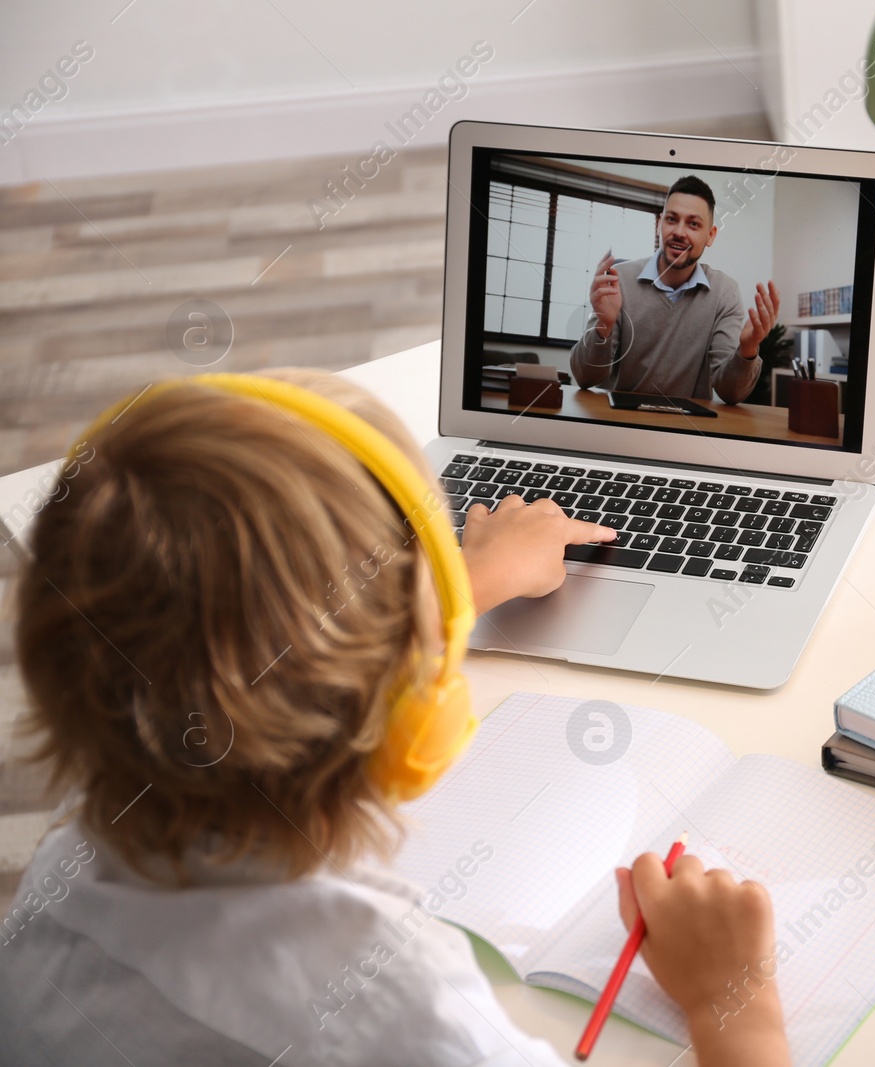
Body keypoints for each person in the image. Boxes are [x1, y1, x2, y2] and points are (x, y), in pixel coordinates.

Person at [0, 369, 791, 1067]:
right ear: (413, 716)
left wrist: (461, 589)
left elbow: (235, 644)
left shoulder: (65, 874)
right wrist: (736, 1004)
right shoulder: (402, 1014)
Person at [571, 175, 780, 404]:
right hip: (621, 425)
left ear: (710, 236)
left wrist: (748, 349)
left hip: (688, 432)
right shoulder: (619, 280)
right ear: (660, 224)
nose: (679, 232)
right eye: (672, 219)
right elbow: (585, 378)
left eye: (693, 224)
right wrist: (604, 326)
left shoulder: (724, 293)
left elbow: (730, 393)